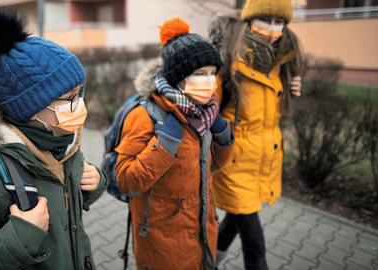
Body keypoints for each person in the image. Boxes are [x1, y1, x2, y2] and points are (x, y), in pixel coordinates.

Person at [0, 7, 107, 270]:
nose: (78, 104)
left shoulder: (61, 142)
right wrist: (19, 236)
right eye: (68, 98)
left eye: (79, 93)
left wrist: (96, 183)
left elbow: (65, 200)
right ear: (29, 107)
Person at [115, 17, 234, 270]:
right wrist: (164, 143)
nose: (209, 82)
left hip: (202, 230)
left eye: (213, 74)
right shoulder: (145, 115)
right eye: (199, 74)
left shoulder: (204, 114)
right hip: (162, 242)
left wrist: (223, 136)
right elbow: (126, 180)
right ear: (177, 77)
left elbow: (212, 167)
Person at [208, 0, 304, 269]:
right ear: (249, 20)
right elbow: (207, 110)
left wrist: (293, 87)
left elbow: (270, 113)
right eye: (266, 20)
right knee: (255, 244)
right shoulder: (228, 59)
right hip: (232, 163)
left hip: (262, 161)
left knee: (235, 220)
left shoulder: (280, 60)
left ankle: (209, 261)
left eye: (279, 22)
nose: (273, 29)